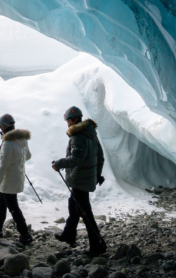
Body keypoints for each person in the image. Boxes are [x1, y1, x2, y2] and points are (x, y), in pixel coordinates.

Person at [51, 106, 107, 257]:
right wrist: (97, 175)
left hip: (80, 180)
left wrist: (59, 164)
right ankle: (68, 235)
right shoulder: (91, 133)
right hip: (86, 179)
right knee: (74, 206)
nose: (67, 123)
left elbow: (76, 159)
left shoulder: (77, 136)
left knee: (85, 212)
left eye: (67, 121)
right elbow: (100, 157)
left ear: (71, 120)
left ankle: (98, 245)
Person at [0, 114, 34, 245]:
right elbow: (28, 156)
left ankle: (25, 234)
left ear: (3, 127)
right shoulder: (22, 139)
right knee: (1, 203)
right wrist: (16, 160)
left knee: (13, 207)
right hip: (16, 177)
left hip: (7, 180)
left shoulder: (7, 143)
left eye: (0, 128)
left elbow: (3, 166)